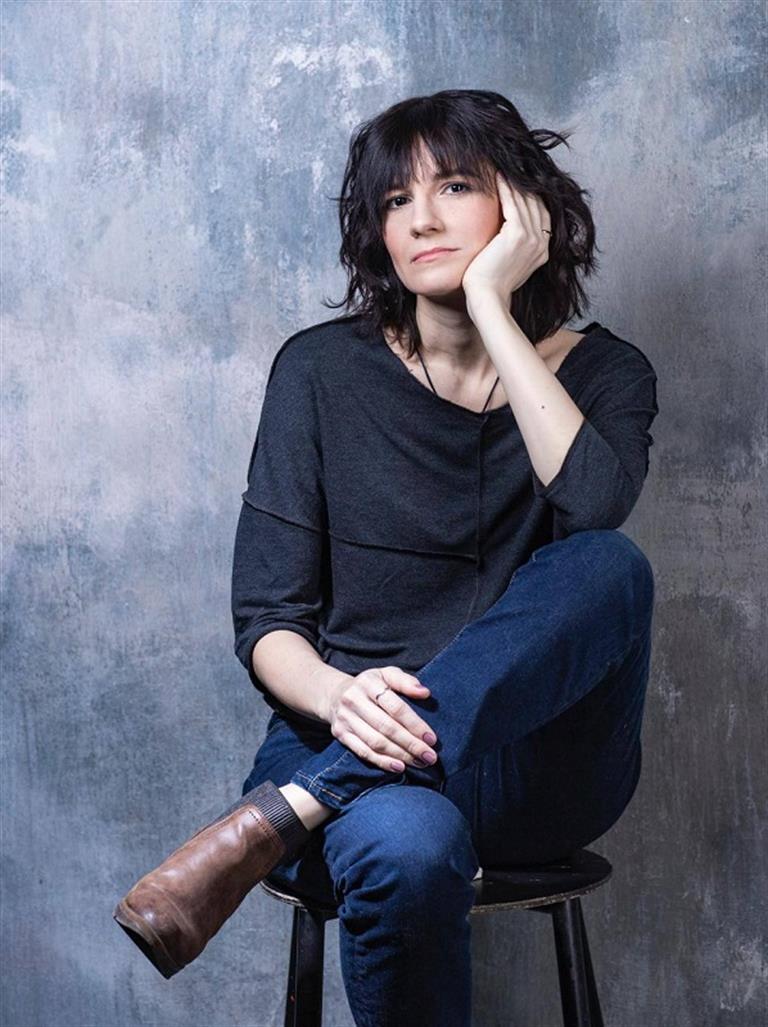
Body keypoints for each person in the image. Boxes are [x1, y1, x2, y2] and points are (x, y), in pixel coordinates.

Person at [113, 89, 659, 1026]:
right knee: (406, 850)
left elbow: (593, 504)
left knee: (613, 566)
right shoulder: (319, 372)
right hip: (351, 739)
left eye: (455, 187)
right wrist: (339, 698)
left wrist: (491, 307)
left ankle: (289, 811)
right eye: (397, 200)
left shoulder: (608, 373)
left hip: (534, 771)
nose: (423, 219)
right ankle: (332, 789)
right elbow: (268, 621)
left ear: (524, 208)